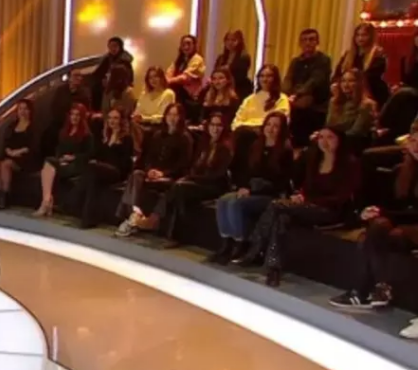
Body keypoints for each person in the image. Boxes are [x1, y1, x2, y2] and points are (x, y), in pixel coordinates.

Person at [233, 127, 360, 287]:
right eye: (321, 137)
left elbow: (342, 197)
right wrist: (300, 195)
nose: (324, 142)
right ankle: (273, 268)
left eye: (330, 137)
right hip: (308, 206)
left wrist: (309, 200)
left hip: (332, 211)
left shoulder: (349, 164)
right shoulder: (315, 159)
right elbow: (304, 185)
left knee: (276, 204)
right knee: (281, 219)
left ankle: (255, 248)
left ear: (340, 140)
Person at [330, 128, 418, 313]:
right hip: (404, 222)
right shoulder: (402, 171)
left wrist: (386, 213)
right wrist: (374, 211)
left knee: (384, 235)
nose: (416, 146)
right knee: (377, 227)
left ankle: (362, 292)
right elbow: (393, 204)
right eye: (413, 141)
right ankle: (377, 290)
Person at [135, 111, 232, 247]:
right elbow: (193, 166)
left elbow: (217, 175)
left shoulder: (226, 148)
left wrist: (192, 178)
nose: (215, 129)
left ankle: (156, 219)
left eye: (219, 125)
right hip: (197, 181)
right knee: (176, 188)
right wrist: (190, 177)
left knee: (180, 187)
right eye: (213, 125)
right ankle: (169, 232)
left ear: (224, 128)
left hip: (213, 185)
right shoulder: (204, 144)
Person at [210, 112, 294, 264]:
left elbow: (280, 182)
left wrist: (252, 190)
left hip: (269, 193)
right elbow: (247, 172)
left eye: (276, 126)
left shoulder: (285, 151)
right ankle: (227, 243)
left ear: (282, 130)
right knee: (223, 201)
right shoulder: (256, 145)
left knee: (235, 204)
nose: (271, 129)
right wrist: (243, 186)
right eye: (268, 124)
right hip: (252, 188)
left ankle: (241, 244)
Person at [115, 103, 194, 237]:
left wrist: (163, 173)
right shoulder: (157, 135)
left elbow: (183, 164)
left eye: (175, 115)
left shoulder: (185, 138)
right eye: (169, 114)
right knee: (136, 174)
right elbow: (148, 157)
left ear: (181, 117)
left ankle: (131, 219)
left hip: (170, 176)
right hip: (153, 173)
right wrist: (150, 170)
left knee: (145, 181)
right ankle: (135, 213)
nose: (172, 118)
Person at [67, 108, 135, 228]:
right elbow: (96, 155)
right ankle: (88, 219)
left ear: (121, 121)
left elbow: (125, 163)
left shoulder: (127, 139)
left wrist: (99, 164)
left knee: (92, 169)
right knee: (93, 180)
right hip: (100, 170)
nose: (112, 121)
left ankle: (72, 200)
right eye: (110, 118)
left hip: (117, 171)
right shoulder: (104, 136)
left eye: (115, 118)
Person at [34, 103, 94, 217]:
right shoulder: (64, 132)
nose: (74, 117)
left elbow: (89, 154)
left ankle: (46, 202)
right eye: (72, 114)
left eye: (77, 115)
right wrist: (60, 160)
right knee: (49, 164)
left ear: (82, 117)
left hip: (77, 165)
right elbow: (59, 149)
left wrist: (74, 157)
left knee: (48, 163)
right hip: (62, 162)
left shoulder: (87, 135)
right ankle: (47, 200)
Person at [284, 28, 333, 147]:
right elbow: (288, 79)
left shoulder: (324, 60)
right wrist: (285, 95)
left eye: (311, 39)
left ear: (317, 42)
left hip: (316, 103)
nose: (308, 43)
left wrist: (296, 94)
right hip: (296, 100)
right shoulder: (296, 61)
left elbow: (315, 81)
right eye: (304, 40)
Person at [0, 98, 34, 208]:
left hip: (23, 158)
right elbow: (6, 143)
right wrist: (9, 151)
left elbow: (31, 146)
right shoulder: (11, 126)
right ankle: (3, 195)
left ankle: (4, 197)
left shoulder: (33, 126)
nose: (22, 112)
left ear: (30, 111)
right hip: (9, 154)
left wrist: (18, 152)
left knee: (6, 164)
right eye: (20, 109)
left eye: (25, 109)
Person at [165, 34, 206, 124]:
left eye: (188, 44)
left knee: (173, 88)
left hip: (190, 96)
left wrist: (169, 81)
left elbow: (185, 77)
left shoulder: (197, 59)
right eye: (183, 44)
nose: (186, 47)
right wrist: (166, 80)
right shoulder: (179, 60)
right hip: (179, 93)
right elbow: (169, 72)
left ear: (194, 45)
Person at [213, 29, 253, 100]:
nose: (230, 43)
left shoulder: (244, 57)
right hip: (221, 88)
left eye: (233, 40)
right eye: (227, 40)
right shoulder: (221, 57)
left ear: (239, 41)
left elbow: (240, 76)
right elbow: (215, 72)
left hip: (238, 87)